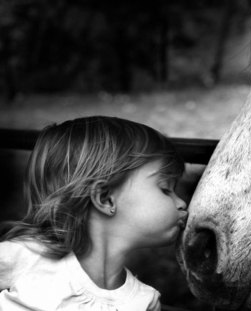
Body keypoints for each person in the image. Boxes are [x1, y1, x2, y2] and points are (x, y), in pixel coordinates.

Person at [0, 116, 189, 311]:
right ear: (105, 198)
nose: (182, 203)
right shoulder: (29, 256)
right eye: (165, 189)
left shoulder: (144, 302)